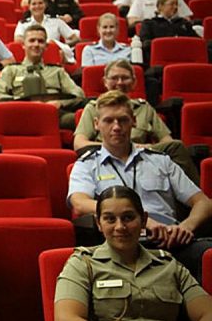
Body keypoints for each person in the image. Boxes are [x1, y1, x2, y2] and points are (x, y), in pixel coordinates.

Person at [68, 90, 212, 279]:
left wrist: (186, 226)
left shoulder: (161, 161)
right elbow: (79, 202)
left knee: (207, 252)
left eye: (123, 120)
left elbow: (203, 202)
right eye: (108, 120)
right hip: (120, 245)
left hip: (169, 243)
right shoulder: (87, 164)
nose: (116, 127)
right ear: (96, 125)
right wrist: (140, 221)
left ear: (134, 121)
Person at [55, 185, 212, 321]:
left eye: (128, 218)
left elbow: (207, 312)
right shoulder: (83, 264)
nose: (120, 227)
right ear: (99, 224)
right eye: (110, 219)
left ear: (143, 220)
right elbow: (67, 317)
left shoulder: (168, 265)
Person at [74, 59, 199, 184]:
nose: (120, 82)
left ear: (134, 82)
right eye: (114, 78)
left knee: (176, 147)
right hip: (108, 157)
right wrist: (117, 147)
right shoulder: (93, 108)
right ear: (105, 82)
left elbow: (167, 141)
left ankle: (192, 197)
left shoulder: (144, 107)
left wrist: (145, 147)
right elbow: (79, 144)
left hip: (142, 156)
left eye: (125, 78)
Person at [0, 24, 86, 129]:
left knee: (87, 118)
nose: (36, 44)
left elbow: (78, 94)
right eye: (32, 40)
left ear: (46, 46)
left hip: (55, 115)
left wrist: (60, 103)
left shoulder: (57, 71)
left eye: (40, 41)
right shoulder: (11, 70)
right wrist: (25, 103)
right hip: (22, 115)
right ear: (23, 44)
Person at [15, 0, 79, 64]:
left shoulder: (56, 21)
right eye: (34, 4)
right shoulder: (23, 23)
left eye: (40, 3)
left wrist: (61, 46)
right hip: (32, 58)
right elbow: (18, 40)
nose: (37, 6)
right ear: (29, 6)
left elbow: (75, 38)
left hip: (54, 60)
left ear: (45, 5)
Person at [139, 0, 201, 67]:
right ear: (160, 6)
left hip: (184, 58)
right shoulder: (149, 24)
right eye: (171, 4)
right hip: (160, 61)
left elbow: (197, 41)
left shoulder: (183, 23)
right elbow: (146, 43)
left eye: (176, 4)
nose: (175, 7)